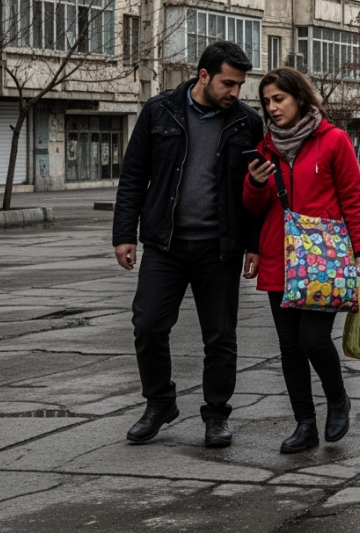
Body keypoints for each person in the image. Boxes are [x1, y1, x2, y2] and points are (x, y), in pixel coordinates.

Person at [113, 41, 264, 448]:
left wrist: (253, 244)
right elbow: (133, 176)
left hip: (220, 248)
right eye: (229, 83)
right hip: (165, 244)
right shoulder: (159, 111)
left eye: (240, 85)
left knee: (220, 336)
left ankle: (216, 415)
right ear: (203, 75)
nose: (236, 92)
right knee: (147, 325)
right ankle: (160, 403)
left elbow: (255, 190)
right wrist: (124, 234)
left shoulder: (247, 122)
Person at [243, 67, 360, 454]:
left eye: (278, 99)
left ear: (299, 98)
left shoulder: (333, 140)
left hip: (323, 258)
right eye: (266, 102)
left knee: (312, 339)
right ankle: (304, 424)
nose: (272, 108)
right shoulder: (265, 148)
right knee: (288, 346)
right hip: (279, 257)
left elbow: (353, 197)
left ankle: (338, 400)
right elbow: (254, 206)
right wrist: (254, 182)